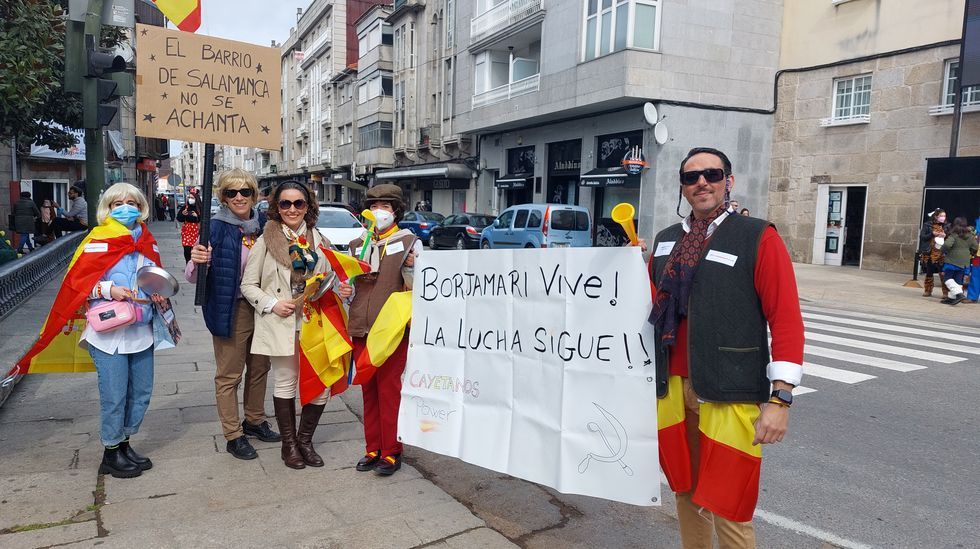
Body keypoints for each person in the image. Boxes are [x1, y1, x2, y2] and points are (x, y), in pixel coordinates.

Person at [644, 148, 803, 549]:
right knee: (685, 491)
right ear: (682, 187)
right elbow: (646, 305)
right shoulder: (666, 241)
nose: (702, 182)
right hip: (672, 389)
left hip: (728, 389)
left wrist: (780, 398)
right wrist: (628, 265)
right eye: (691, 177)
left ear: (727, 181)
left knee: (729, 505)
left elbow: (784, 317)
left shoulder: (757, 236)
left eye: (712, 174)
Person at [18, 182, 166, 479]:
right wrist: (110, 289)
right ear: (107, 209)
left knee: (141, 393)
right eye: (117, 203)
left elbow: (153, 276)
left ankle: (124, 443)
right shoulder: (96, 240)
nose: (126, 208)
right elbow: (77, 286)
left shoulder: (147, 240)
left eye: (132, 202)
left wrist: (159, 290)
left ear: (141, 207)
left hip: (141, 329)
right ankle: (111, 452)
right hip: (108, 332)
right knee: (114, 396)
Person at [186, 169, 280, 460]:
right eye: (231, 192)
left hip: (263, 307)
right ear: (223, 197)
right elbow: (193, 277)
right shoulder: (212, 227)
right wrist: (197, 260)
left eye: (245, 192)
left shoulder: (266, 224)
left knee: (260, 368)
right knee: (229, 375)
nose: (239, 198)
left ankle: (254, 421)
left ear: (254, 194)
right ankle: (233, 434)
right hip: (232, 308)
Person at [241, 181, 334, 469]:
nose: (292, 209)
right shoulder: (265, 241)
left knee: (321, 386)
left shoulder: (319, 239)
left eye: (299, 203)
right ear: (276, 208)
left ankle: (305, 442)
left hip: (313, 321)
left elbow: (333, 276)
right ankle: (289, 445)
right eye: (285, 204)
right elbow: (248, 285)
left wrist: (339, 288)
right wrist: (271, 304)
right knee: (286, 381)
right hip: (281, 321)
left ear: (308, 207)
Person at [339, 183, 420, 476]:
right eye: (373, 206)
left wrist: (411, 269)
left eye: (384, 206)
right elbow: (348, 287)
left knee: (389, 391)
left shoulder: (410, 242)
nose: (378, 212)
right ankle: (372, 447)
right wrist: (345, 290)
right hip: (361, 327)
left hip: (392, 331)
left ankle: (391, 451)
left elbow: (419, 290)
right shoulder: (356, 244)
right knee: (368, 390)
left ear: (396, 210)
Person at [940, 217, 977, 305]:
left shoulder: (954, 234)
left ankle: (959, 295)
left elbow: (947, 245)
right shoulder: (970, 235)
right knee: (958, 280)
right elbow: (975, 247)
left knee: (947, 279)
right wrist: (969, 252)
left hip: (952, 260)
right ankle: (952, 298)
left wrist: (943, 250)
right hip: (964, 262)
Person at [918, 209, 948, 299]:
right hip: (930, 252)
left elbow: (951, 238)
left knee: (942, 273)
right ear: (936, 216)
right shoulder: (927, 225)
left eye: (944, 216)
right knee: (929, 272)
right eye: (941, 216)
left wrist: (945, 236)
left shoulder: (947, 226)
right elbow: (922, 237)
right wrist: (932, 233)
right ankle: (928, 290)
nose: (943, 218)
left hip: (942, 253)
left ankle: (945, 292)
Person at [176, 194, 201, 263]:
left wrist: (197, 216)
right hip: (187, 232)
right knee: (187, 250)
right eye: (189, 197)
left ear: (196, 199)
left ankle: (195, 266)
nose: (190, 199)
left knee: (195, 251)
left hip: (196, 232)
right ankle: (188, 264)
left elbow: (204, 220)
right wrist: (182, 214)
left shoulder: (200, 208)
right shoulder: (185, 207)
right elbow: (179, 218)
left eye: (192, 197)